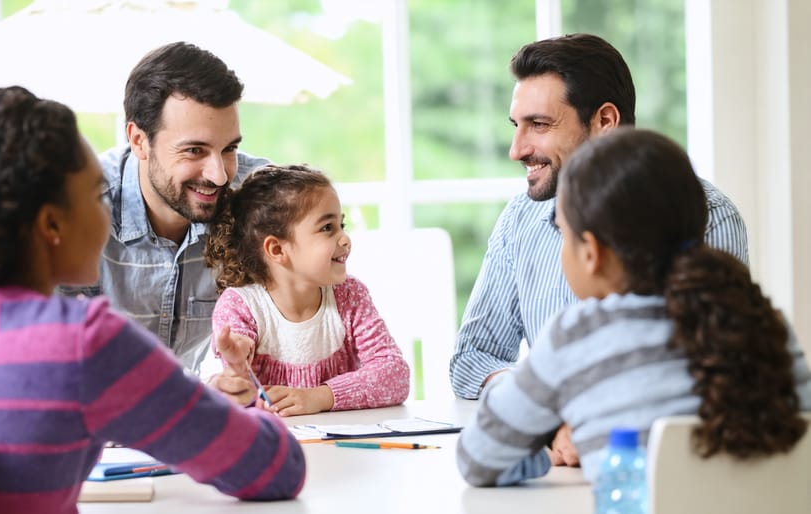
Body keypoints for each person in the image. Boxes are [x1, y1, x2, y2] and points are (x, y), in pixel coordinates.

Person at [0, 86, 305, 514]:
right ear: (52, 224)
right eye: (96, 194)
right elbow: (274, 467)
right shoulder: (88, 343)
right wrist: (257, 409)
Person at [456, 127, 811, 487]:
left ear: (591, 253)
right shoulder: (767, 325)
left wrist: (538, 450)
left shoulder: (576, 338)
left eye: (563, 232)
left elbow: (478, 460)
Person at [449, 33, 750, 405]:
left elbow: (715, 372)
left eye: (539, 124)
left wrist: (588, 419)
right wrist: (543, 405)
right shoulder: (521, 217)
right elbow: (471, 360)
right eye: (516, 125)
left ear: (605, 120)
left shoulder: (707, 217)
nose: (517, 150)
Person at [59, 41, 270, 378]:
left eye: (228, 148)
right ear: (139, 140)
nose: (219, 175)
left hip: (187, 412)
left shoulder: (260, 199)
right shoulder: (72, 211)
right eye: (194, 151)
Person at [199, 164, 411, 416]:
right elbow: (241, 391)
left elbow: (395, 374)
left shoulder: (349, 296)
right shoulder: (240, 306)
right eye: (327, 228)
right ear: (277, 250)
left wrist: (320, 397)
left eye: (341, 225)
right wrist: (237, 369)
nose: (345, 239)